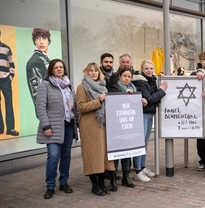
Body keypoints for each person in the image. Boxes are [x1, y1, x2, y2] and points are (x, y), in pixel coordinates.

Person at [36, 59, 78, 199]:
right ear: (51, 70)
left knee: (66, 156)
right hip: (52, 127)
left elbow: (74, 106)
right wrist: (46, 126)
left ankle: (64, 182)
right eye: (56, 67)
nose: (59, 69)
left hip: (68, 125)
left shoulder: (68, 85)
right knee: (53, 156)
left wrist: (77, 123)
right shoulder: (45, 85)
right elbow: (40, 108)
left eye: (61, 67)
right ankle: (50, 186)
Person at [76, 62, 116, 196]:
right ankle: (94, 185)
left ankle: (101, 183)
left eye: (95, 71)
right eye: (90, 71)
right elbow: (81, 107)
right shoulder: (82, 87)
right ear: (86, 72)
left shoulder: (103, 87)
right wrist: (98, 101)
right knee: (93, 155)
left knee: (103, 156)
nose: (93, 73)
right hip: (89, 126)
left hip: (102, 125)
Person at [109, 68, 148, 188]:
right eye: (124, 76)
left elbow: (135, 105)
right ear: (120, 77)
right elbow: (112, 102)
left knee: (127, 152)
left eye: (129, 76)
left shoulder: (135, 89)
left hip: (128, 126)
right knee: (116, 153)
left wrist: (140, 100)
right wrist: (126, 95)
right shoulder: (114, 88)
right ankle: (113, 180)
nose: (127, 78)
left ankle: (126, 178)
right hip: (117, 126)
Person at [133, 60, 167, 182]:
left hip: (149, 114)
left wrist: (160, 78)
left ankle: (142, 166)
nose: (149, 70)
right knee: (140, 143)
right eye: (146, 68)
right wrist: (162, 90)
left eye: (151, 68)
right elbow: (149, 98)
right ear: (142, 70)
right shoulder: (141, 82)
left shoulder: (151, 80)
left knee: (145, 143)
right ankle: (137, 170)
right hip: (142, 114)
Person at [0, 30, 19, 136]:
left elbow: (11, 64)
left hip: (5, 80)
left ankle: (10, 128)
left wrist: (10, 77)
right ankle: (0, 128)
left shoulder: (6, 48)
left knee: (8, 104)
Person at [26, 28, 52, 106]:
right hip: (48, 111)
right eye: (38, 38)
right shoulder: (34, 62)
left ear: (48, 41)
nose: (41, 42)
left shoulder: (46, 59)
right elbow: (37, 93)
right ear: (34, 41)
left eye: (44, 38)